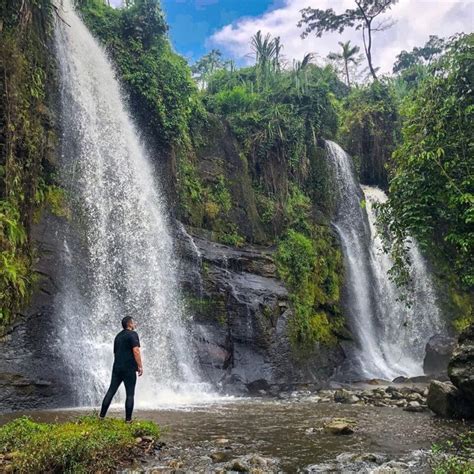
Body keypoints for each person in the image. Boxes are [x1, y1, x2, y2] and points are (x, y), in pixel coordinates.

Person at [99, 316, 143, 422]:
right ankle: (128, 420)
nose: (135, 324)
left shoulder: (117, 336)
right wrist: (140, 366)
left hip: (117, 367)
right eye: (133, 322)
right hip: (129, 368)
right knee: (130, 393)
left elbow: (115, 353)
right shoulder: (133, 334)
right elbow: (136, 350)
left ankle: (101, 417)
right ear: (129, 324)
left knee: (111, 391)